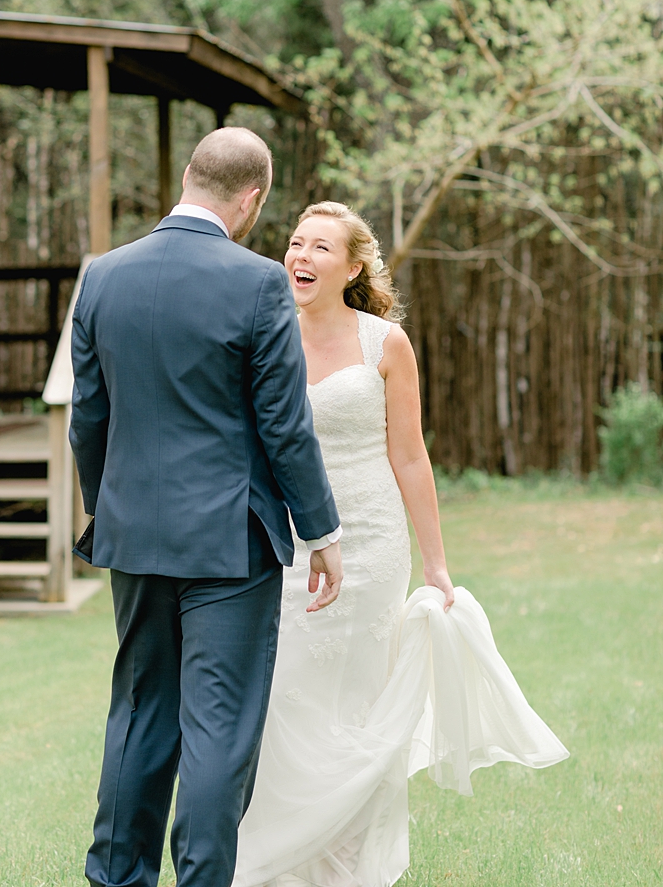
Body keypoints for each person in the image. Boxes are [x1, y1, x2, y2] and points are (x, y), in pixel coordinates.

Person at [233, 201, 569, 887]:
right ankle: (277, 864)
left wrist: (437, 562)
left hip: (372, 543)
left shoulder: (385, 343)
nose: (300, 256)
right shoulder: (266, 335)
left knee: (359, 701)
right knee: (284, 697)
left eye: (320, 247)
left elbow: (411, 458)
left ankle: (350, 868)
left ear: (353, 266)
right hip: (290, 545)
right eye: (295, 242)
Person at [69, 128, 345, 887]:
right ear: (251, 199)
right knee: (218, 732)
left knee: (139, 712)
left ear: (190, 176)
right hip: (232, 544)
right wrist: (320, 529)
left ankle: (117, 878)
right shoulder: (257, 283)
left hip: (134, 535)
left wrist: (115, 506)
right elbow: (285, 428)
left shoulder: (103, 277)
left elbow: (86, 420)